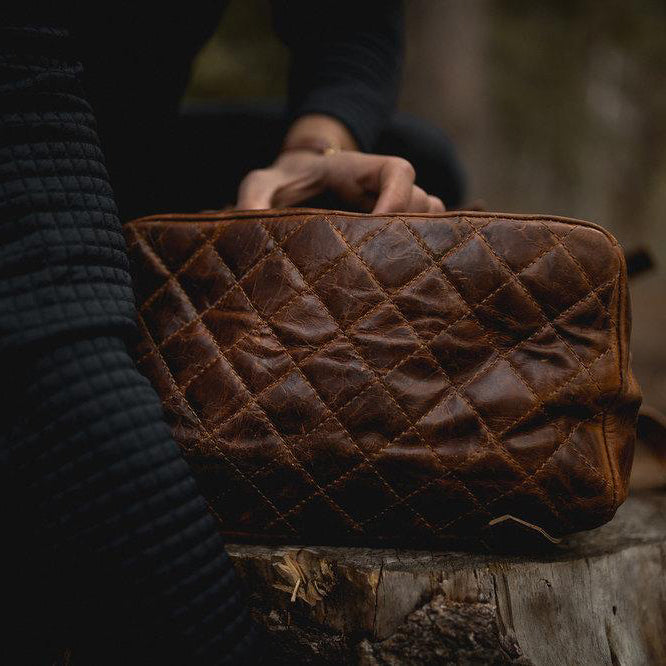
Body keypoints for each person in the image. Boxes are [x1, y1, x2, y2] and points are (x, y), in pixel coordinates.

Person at [1, 2, 461, 663]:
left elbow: (351, 20)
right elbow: (48, 338)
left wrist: (314, 151)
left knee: (420, 167)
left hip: (117, 150)